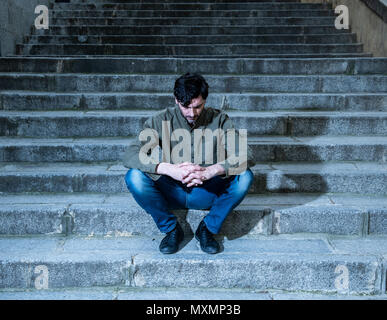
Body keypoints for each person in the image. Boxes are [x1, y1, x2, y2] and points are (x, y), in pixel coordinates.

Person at [123, 73, 254, 254]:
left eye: (198, 107)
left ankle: (207, 228)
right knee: (134, 176)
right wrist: (169, 169)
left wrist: (210, 171)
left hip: (206, 190)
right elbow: (130, 154)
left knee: (245, 176)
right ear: (176, 100)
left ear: (205, 100)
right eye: (186, 107)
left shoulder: (220, 119)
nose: (192, 113)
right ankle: (171, 229)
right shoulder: (160, 120)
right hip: (172, 190)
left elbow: (246, 154)